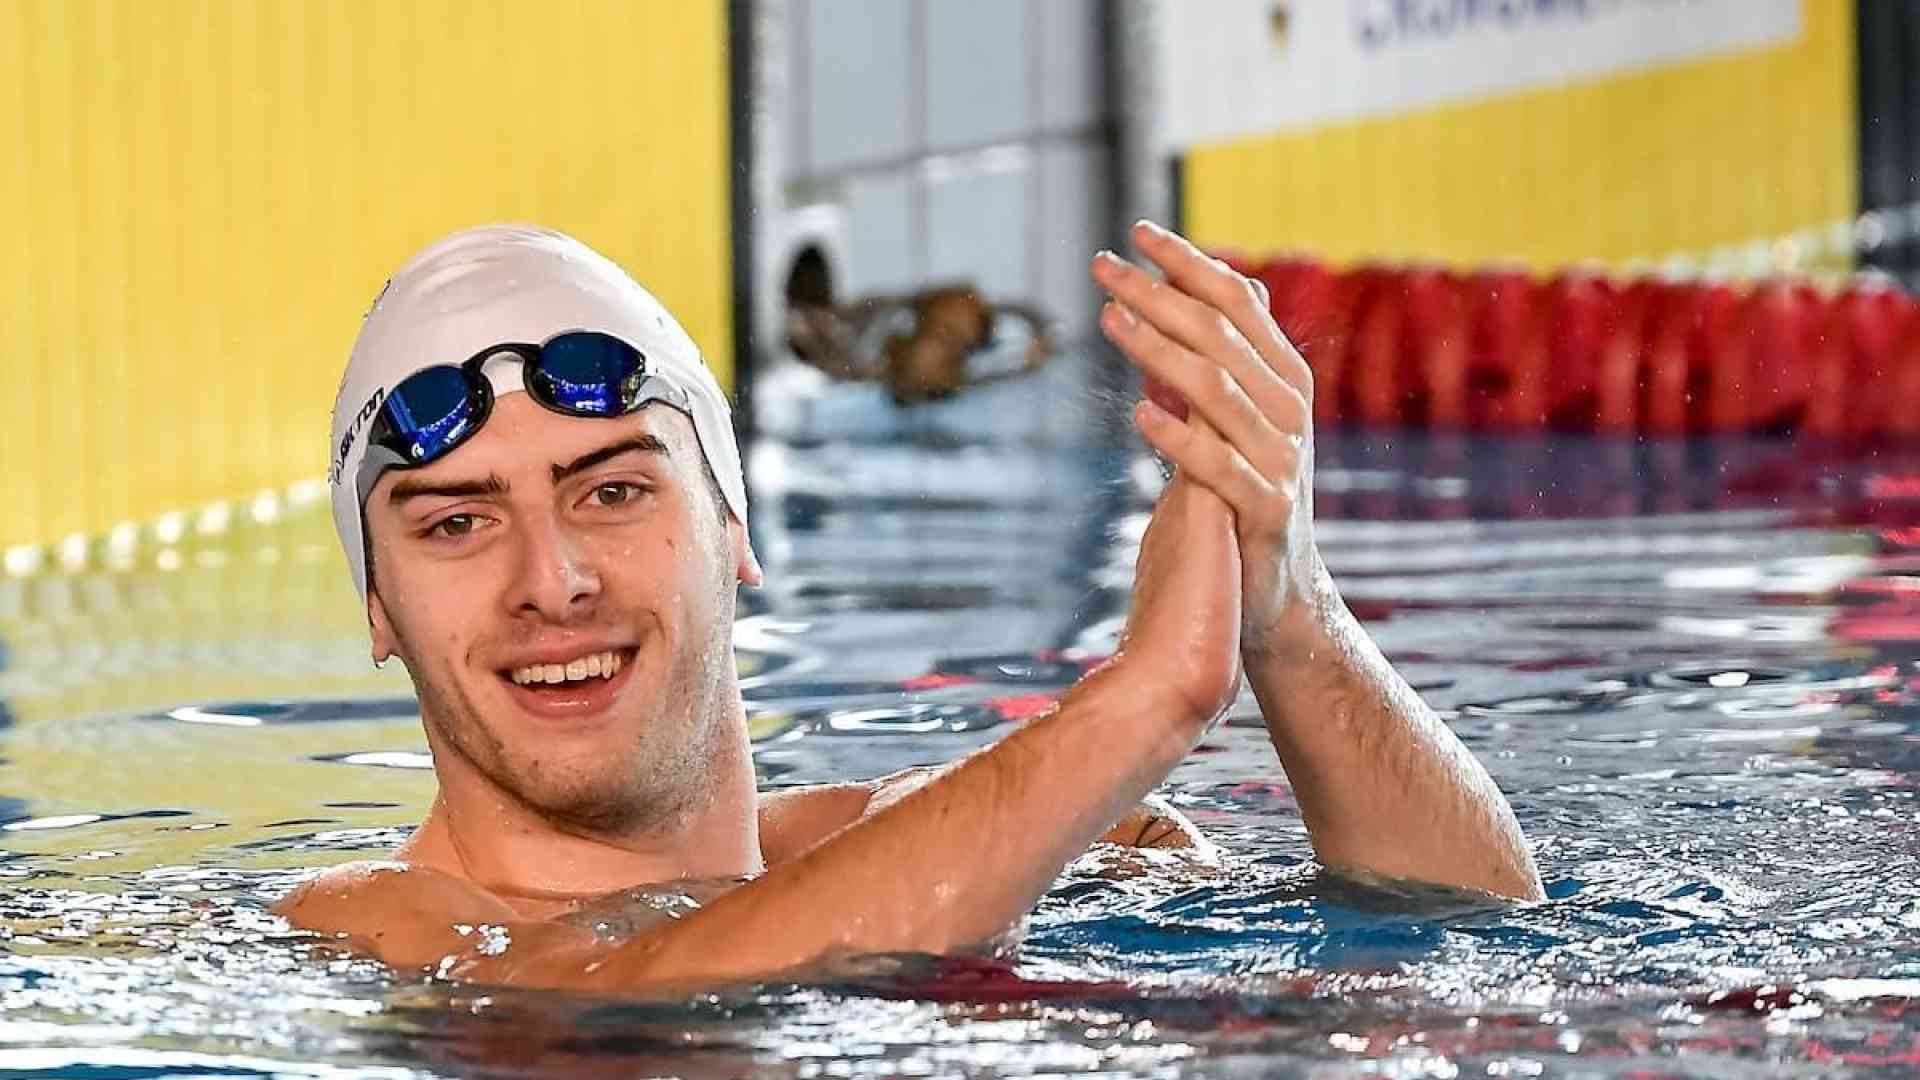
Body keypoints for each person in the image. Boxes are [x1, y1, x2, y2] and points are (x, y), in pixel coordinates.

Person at [278, 222, 1542, 991]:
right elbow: (625, 994)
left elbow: (1469, 947)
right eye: (456, 523)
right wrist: (1145, 699)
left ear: (733, 530)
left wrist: (1290, 606)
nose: (552, 581)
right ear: (378, 606)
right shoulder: (361, 930)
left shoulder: (1059, 842)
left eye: (611, 492)